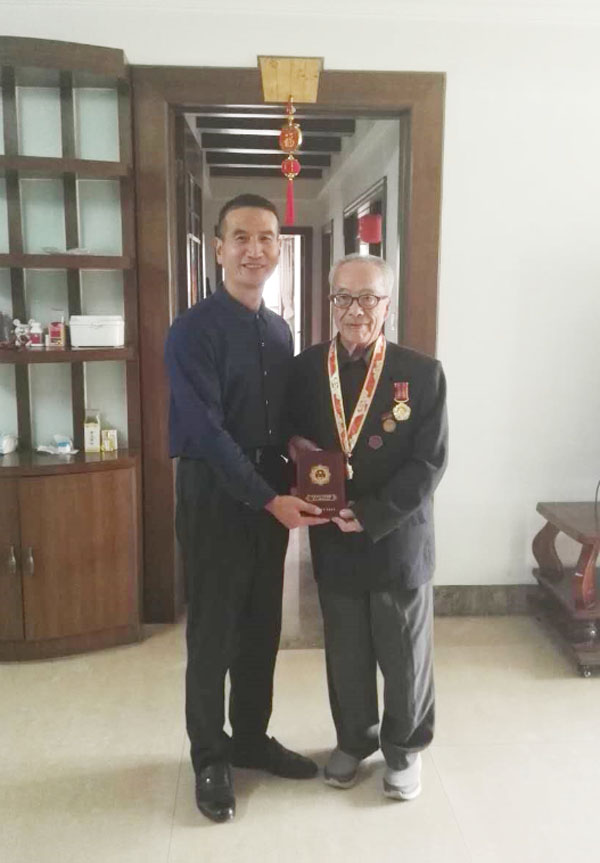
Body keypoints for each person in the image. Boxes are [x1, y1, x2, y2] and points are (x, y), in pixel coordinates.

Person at [165, 194, 326, 824]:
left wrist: (299, 450)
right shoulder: (193, 330)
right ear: (219, 249)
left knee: (262, 626)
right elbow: (206, 433)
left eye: (266, 239)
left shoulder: (278, 330)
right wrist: (267, 498)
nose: (254, 250)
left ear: (278, 249)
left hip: (269, 488)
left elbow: (277, 419)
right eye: (241, 237)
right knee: (214, 632)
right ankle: (210, 756)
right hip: (214, 492)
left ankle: (252, 738)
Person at [287, 253, 448, 801]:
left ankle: (404, 749)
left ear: (387, 304)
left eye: (368, 298)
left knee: (404, 654)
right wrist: (295, 448)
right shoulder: (307, 369)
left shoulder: (421, 373)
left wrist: (375, 513)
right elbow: (289, 433)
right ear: (330, 301)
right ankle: (354, 740)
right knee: (346, 651)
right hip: (333, 533)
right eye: (344, 298)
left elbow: (430, 462)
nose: (355, 310)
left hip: (396, 536)